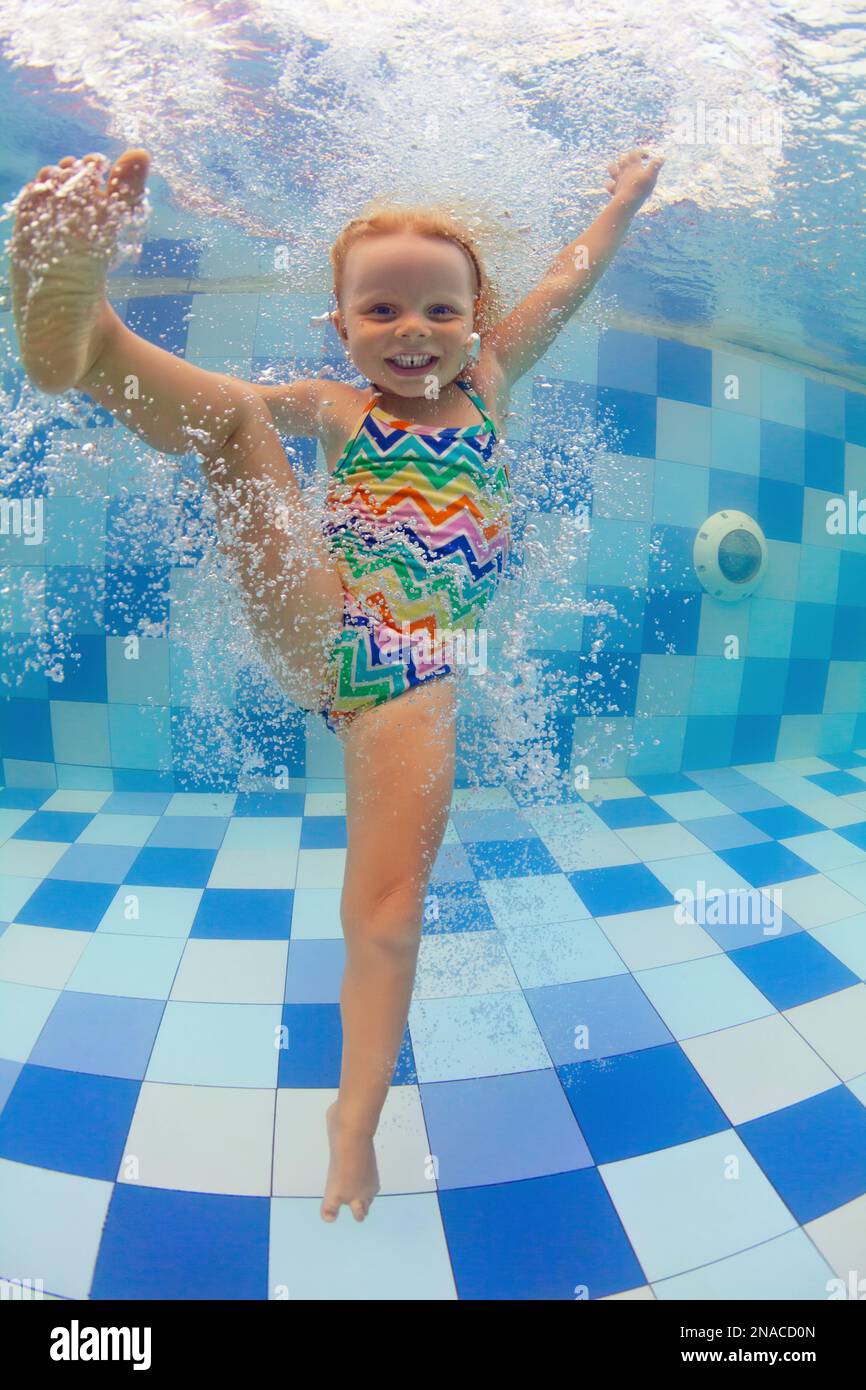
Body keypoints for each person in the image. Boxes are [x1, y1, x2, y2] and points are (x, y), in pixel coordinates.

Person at [9, 145, 663, 1223]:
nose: (412, 332)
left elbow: (565, 282)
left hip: (411, 678)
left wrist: (622, 200)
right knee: (230, 421)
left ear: (473, 319)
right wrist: (145, 377)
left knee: (390, 916)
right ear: (342, 325)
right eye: (381, 310)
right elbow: (222, 402)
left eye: (439, 312)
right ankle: (83, 339)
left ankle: (350, 1121)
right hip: (327, 626)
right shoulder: (333, 405)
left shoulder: (491, 384)